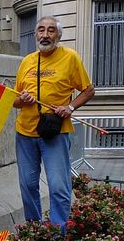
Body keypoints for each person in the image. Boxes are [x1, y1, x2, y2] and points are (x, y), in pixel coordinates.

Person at [12, 15, 95, 229]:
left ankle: (59, 233)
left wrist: (70, 107)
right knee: (28, 185)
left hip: (54, 133)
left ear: (58, 35)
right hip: (26, 133)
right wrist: (22, 99)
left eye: (50, 30)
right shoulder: (26, 61)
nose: (45, 34)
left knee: (59, 186)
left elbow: (88, 90)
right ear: (35, 35)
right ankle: (34, 228)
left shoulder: (70, 57)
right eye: (41, 30)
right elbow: (14, 101)